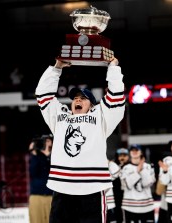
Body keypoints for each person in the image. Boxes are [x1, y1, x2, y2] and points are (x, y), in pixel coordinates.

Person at [35, 57, 125, 223]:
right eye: (75, 98)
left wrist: (113, 68)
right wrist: (57, 68)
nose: (77, 100)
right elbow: (42, 95)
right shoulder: (59, 118)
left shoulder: (100, 117)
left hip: (92, 189)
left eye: (83, 98)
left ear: (91, 105)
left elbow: (116, 99)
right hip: (62, 188)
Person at [120, 144, 156, 223]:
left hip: (147, 207)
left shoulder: (149, 166)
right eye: (132, 150)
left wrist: (142, 170)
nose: (134, 152)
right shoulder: (124, 168)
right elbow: (126, 185)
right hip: (130, 207)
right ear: (130, 153)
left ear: (141, 152)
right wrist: (137, 172)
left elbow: (149, 183)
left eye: (136, 150)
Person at [28, 134, 53, 223]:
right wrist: (34, 154)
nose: (46, 143)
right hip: (36, 195)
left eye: (48, 141)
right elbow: (33, 173)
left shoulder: (56, 156)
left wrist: (48, 155)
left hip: (51, 196)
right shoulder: (36, 157)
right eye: (44, 141)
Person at [113, 148, 130, 223]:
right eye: (120, 155)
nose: (122, 157)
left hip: (129, 193)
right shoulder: (113, 166)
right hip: (117, 193)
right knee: (118, 210)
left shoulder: (131, 165)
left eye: (124, 155)